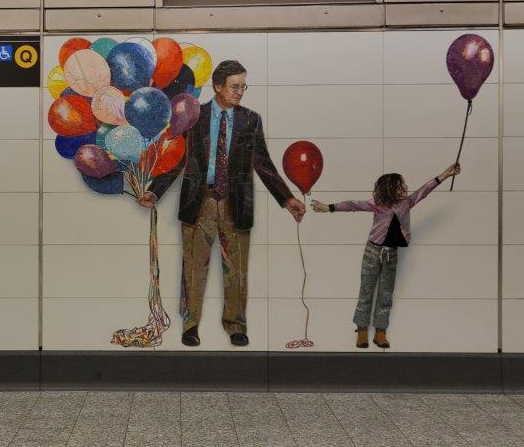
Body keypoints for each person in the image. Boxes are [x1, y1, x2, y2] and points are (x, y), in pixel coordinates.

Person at [138, 60, 306, 347]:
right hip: (199, 200)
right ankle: (190, 325)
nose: (240, 92)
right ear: (218, 86)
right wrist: (155, 191)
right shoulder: (194, 117)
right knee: (194, 267)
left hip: (236, 202)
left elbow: (262, 163)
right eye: (235, 86)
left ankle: (236, 325)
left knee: (237, 269)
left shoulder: (251, 120)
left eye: (243, 86)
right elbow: (178, 158)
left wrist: (286, 198)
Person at [311, 163, 461, 349]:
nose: (406, 188)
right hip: (372, 252)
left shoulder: (407, 203)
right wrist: (328, 208)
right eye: (401, 185)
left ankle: (380, 332)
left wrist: (445, 175)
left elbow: (425, 190)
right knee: (366, 290)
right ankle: (362, 331)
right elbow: (353, 205)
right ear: (391, 188)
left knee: (385, 293)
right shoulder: (378, 205)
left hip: (391, 254)